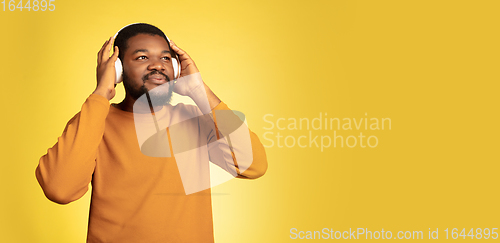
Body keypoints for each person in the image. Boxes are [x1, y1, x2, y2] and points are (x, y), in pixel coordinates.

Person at [35, 23, 268, 242]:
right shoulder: (94, 121)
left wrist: (199, 90)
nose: (158, 65)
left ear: (176, 68)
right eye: (142, 57)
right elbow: (59, 189)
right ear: (118, 69)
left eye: (166, 58)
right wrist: (101, 93)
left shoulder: (195, 120)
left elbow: (254, 165)